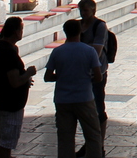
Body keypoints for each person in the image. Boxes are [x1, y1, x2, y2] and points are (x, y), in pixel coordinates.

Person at [44, 19, 103, 158]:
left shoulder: (57, 52)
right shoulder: (89, 51)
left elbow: (47, 76)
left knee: (65, 138)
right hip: (84, 98)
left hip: (63, 99)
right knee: (93, 136)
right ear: (80, 31)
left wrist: (61, 76)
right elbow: (98, 77)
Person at [0, 17, 36, 158]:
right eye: (21, 29)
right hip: (10, 104)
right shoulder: (7, 52)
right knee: (7, 143)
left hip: (0, 99)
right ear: (15, 31)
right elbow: (14, 81)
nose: (22, 32)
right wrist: (28, 74)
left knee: (5, 139)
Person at [77, 0, 110, 158]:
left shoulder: (100, 26)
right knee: (84, 110)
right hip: (81, 73)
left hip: (97, 72)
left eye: (86, 11)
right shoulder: (78, 26)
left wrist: (78, 49)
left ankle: (99, 145)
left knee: (98, 108)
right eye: (81, 11)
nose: (83, 14)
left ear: (93, 11)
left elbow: (96, 51)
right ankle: (89, 142)